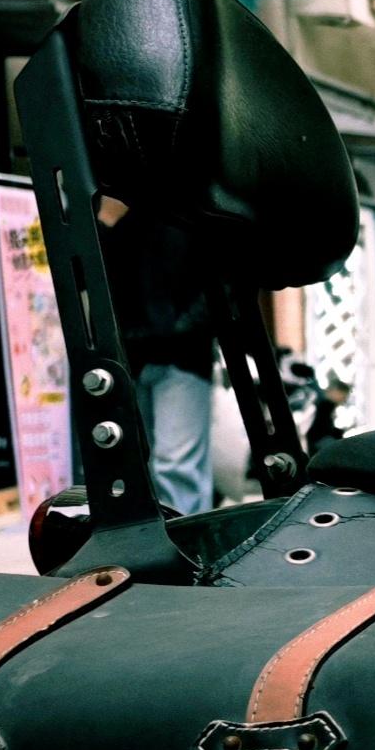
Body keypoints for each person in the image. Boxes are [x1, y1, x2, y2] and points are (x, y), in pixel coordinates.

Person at [103, 192, 235, 515]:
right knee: (144, 462)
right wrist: (106, 222)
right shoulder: (120, 216)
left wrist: (181, 330)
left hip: (180, 354)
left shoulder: (189, 211)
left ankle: (184, 539)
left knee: (176, 463)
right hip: (135, 354)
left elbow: (221, 282)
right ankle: (173, 536)